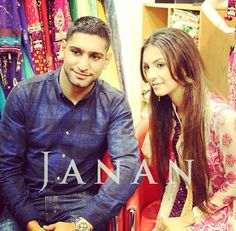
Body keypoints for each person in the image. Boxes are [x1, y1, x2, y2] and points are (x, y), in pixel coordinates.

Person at [0, 16, 141, 231]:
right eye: (76, 52)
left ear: (107, 60)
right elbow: (7, 166)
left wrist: (80, 225)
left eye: (94, 56)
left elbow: (128, 168)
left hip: (81, 204)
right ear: (63, 49)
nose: (83, 65)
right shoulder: (25, 95)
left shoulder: (114, 103)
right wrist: (30, 223)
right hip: (27, 200)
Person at [140, 27, 236, 230]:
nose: (151, 75)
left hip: (224, 207)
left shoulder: (221, 117)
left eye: (160, 65)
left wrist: (188, 219)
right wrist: (150, 128)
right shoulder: (170, 111)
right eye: (147, 67)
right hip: (191, 197)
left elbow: (234, 183)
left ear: (185, 65)